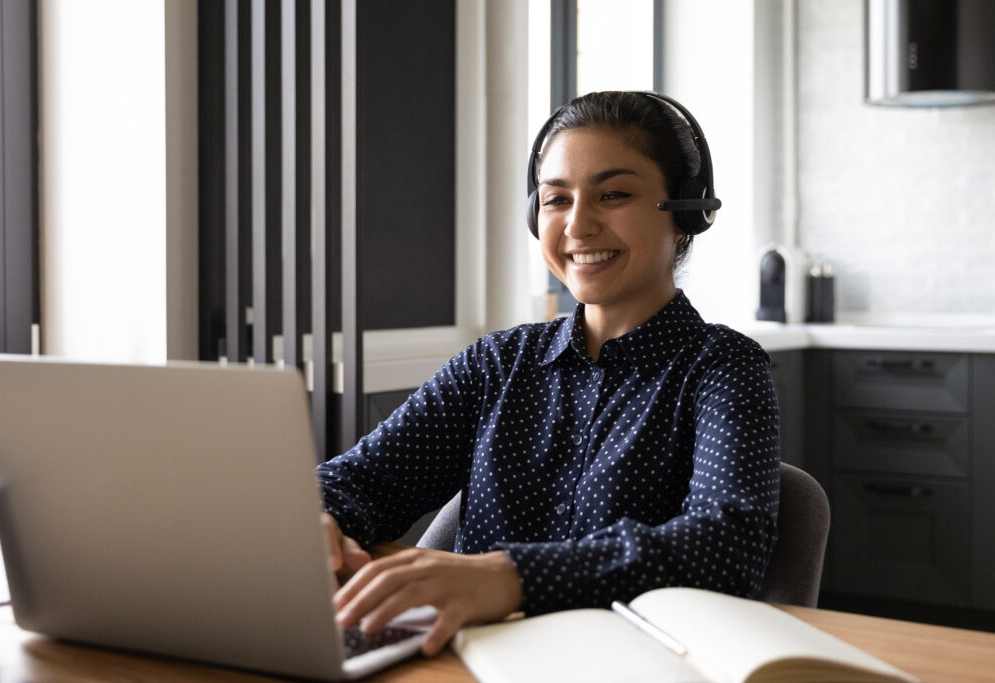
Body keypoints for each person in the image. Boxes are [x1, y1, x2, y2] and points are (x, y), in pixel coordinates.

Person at [318, 90, 780, 656]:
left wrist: (510, 577)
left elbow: (728, 544)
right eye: (556, 199)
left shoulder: (723, 369)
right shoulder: (495, 365)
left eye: (613, 194)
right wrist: (316, 516)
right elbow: (358, 481)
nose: (578, 225)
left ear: (685, 214)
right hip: (464, 660)